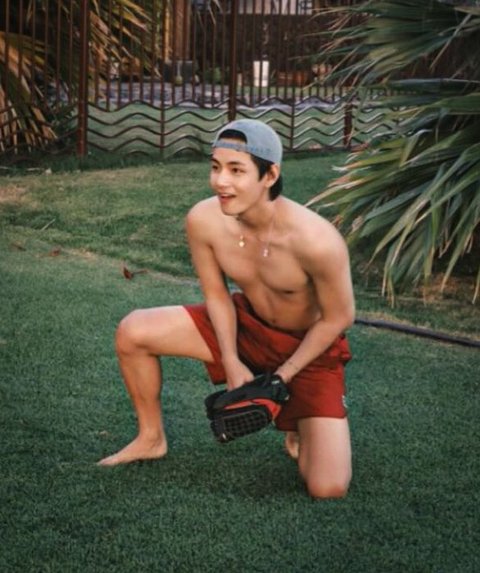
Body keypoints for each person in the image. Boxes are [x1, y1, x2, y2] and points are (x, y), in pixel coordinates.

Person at [98, 119, 355, 499]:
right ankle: (151, 438)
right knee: (134, 331)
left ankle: (297, 424)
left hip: (308, 350)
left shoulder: (317, 240)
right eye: (216, 167)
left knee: (327, 487)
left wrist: (281, 378)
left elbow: (339, 317)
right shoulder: (203, 219)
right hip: (246, 325)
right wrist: (231, 360)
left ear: (270, 175)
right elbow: (216, 295)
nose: (220, 181)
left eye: (236, 170)